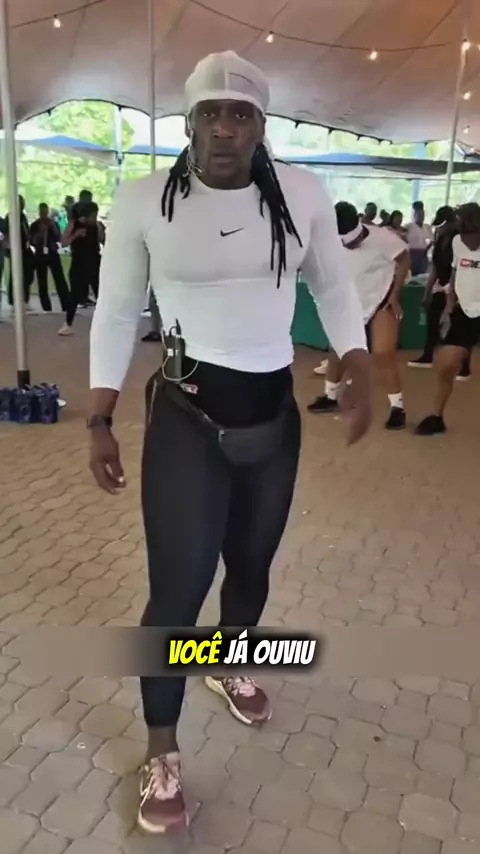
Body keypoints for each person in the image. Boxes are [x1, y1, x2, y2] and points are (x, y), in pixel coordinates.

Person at [88, 51, 371, 834]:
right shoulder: (144, 201)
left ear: (260, 125)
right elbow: (116, 311)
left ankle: (228, 661)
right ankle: (162, 749)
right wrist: (100, 415)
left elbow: (332, 283)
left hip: (273, 417)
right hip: (188, 418)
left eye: (240, 113)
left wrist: (356, 357)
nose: (224, 127)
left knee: (250, 567)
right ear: (189, 123)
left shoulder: (301, 195)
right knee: (178, 591)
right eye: (210, 112)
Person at [308, 201, 409, 430]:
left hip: (381, 302)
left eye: (353, 241)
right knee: (337, 352)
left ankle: (397, 407)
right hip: (349, 306)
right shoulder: (328, 242)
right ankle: (331, 396)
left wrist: (395, 296)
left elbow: (404, 258)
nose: (350, 245)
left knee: (383, 354)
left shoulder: (383, 238)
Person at [415, 202, 480, 436]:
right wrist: (449, 307)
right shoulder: (456, 243)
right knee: (446, 365)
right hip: (462, 310)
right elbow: (454, 275)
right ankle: (437, 417)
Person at [408, 205, 470, 379]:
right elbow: (435, 268)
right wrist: (428, 291)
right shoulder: (440, 239)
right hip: (441, 286)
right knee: (432, 320)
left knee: (459, 327)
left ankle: (464, 367)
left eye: (443, 225)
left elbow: (460, 269)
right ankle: (428, 355)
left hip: (457, 287)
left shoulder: (462, 241)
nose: (440, 228)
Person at [30, 203, 73, 318]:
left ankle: (66, 305)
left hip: (53, 253)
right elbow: (32, 241)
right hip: (40, 254)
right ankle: (46, 307)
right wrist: (40, 233)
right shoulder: (35, 225)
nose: (43, 213)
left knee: (59, 279)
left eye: (45, 211)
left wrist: (52, 226)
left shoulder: (53, 223)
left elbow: (58, 237)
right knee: (42, 281)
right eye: (41, 211)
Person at [62, 201, 103, 310]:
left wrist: (101, 231)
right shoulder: (74, 224)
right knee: (76, 292)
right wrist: (76, 234)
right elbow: (64, 242)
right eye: (93, 215)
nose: (95, 218)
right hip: (79, 262)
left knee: (100, 289)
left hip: (94, 260)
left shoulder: (96, 225)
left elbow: (102, 240)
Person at [3, 195, 35, 310]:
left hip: (25, 249)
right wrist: (9, 247)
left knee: (27, 275)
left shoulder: (23, 216)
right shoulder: (10, 217)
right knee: (15, 275)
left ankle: (25, 299)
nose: (22, 205)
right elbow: (5, 234)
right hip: (15, 249)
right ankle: (13, 301)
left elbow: (27, 232)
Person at [405, 201, 433, 275]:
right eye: (419, 215)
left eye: (422, 215)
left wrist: (427, 248)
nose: (421, 217)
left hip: (423, 254)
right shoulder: (409, 226)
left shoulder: (427, 227)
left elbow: (433, 240)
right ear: (414, 215)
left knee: (421, 273)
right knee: (410, 273)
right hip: (411, 253)